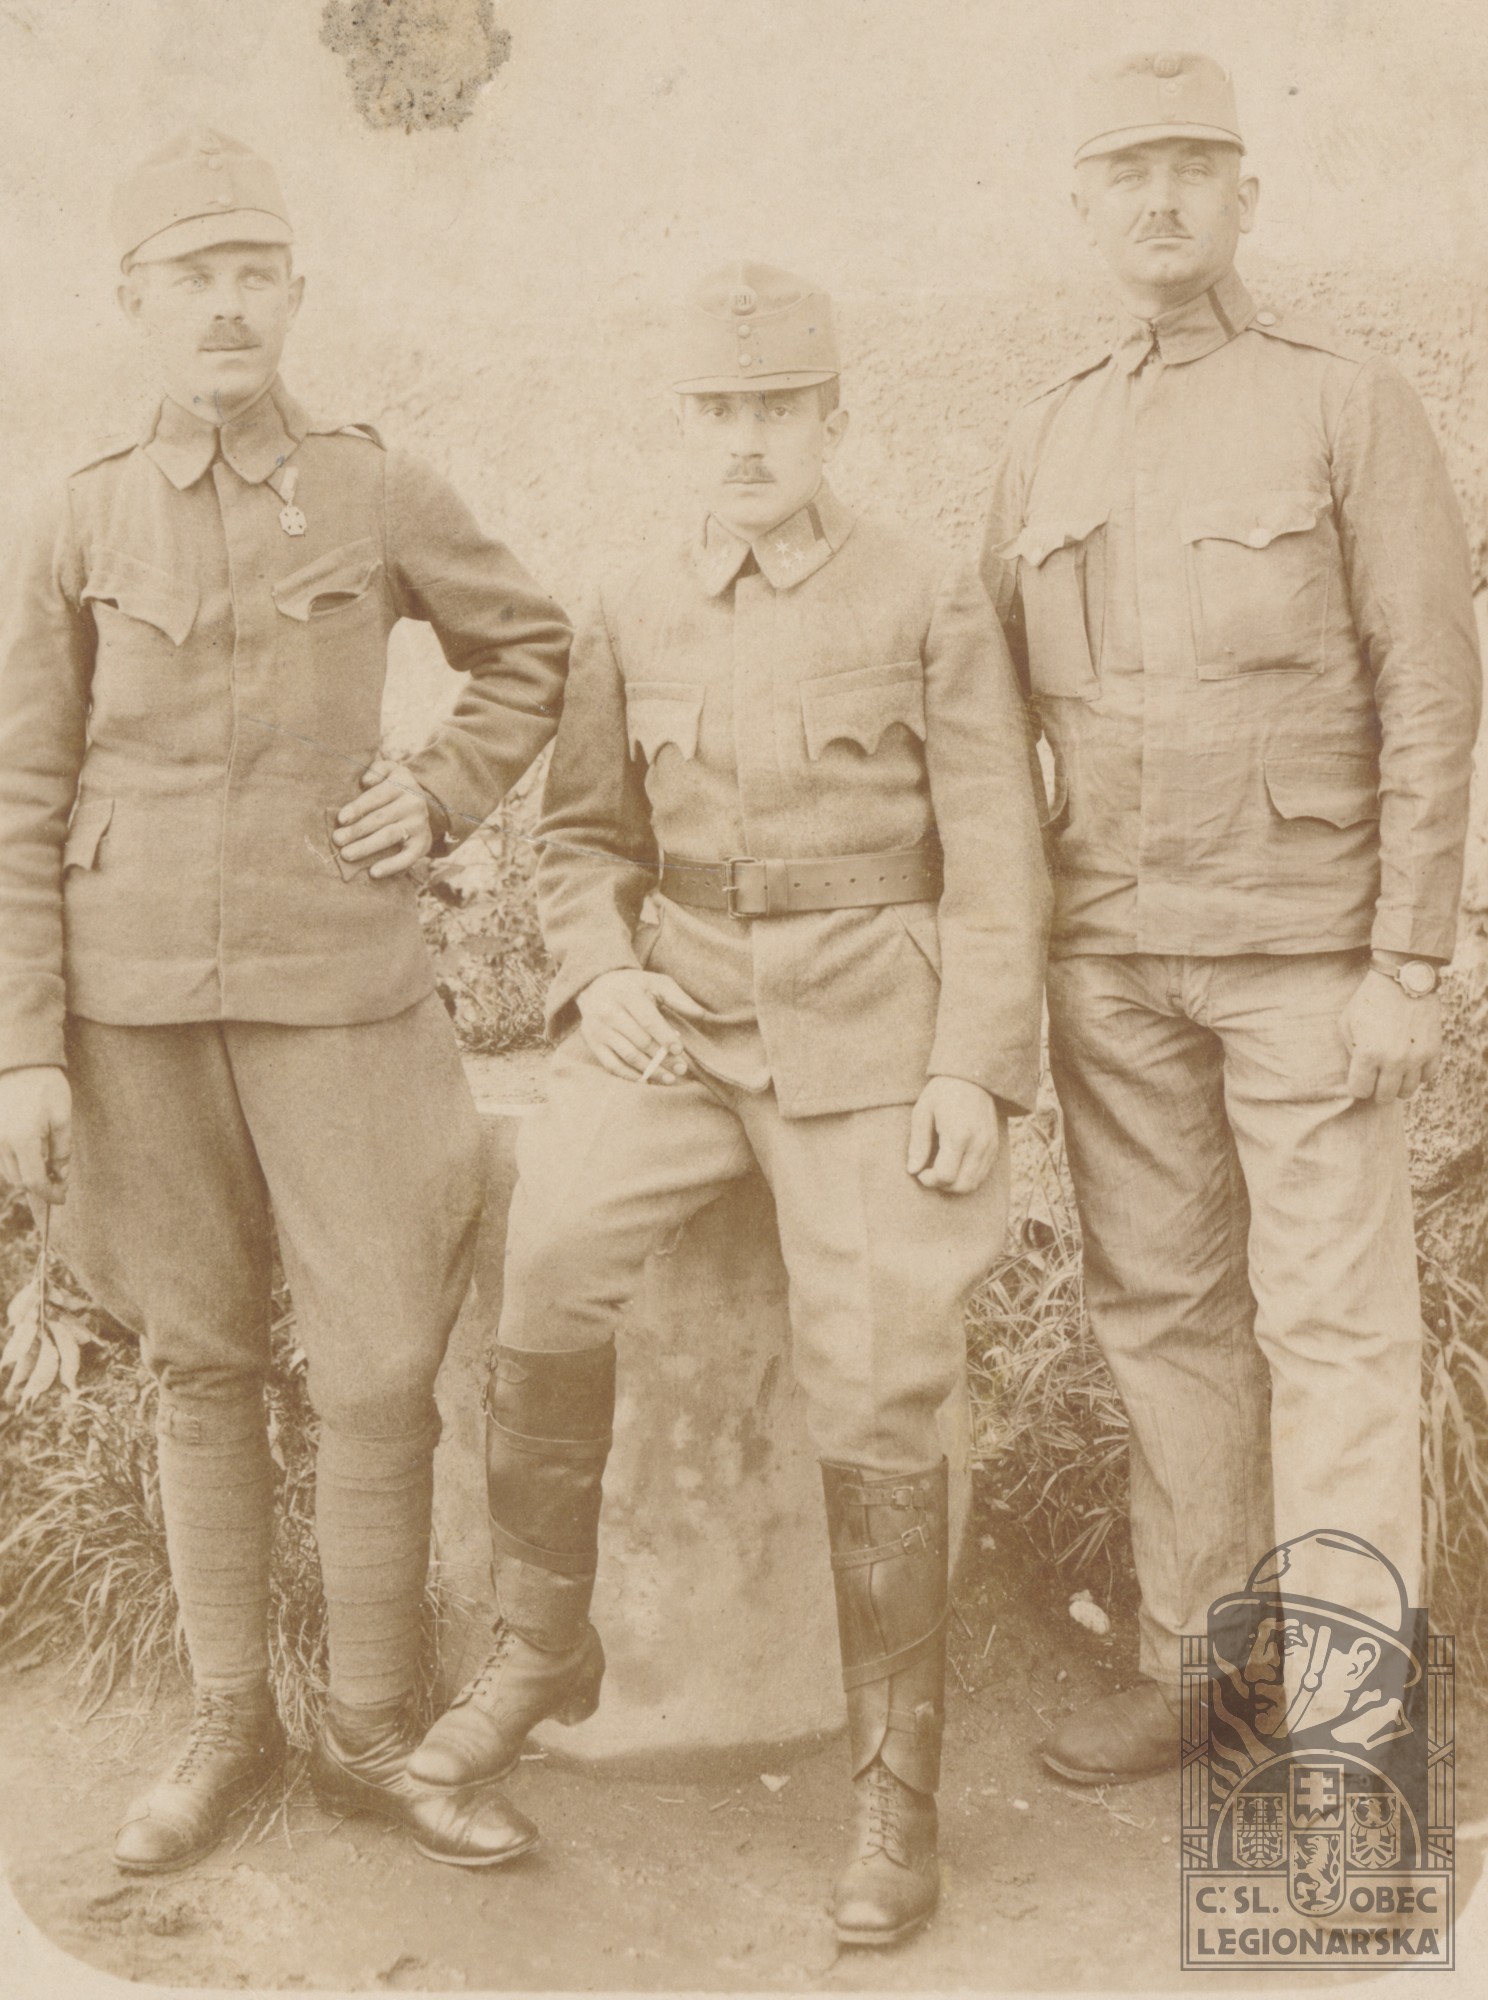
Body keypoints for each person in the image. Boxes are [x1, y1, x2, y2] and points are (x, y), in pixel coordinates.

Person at [406, 261, 1050, 1945]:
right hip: (681, 1016)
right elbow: (584, 839)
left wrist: (973, 1066)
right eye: (719, 411)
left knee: (881, 1367)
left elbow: (997, 853)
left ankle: (892, 1786)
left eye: (778, 408)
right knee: (551, 1249)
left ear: (834, 417)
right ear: (684, 425)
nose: (748, 441)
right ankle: (543, 1647)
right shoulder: (631, 603)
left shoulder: (925, 594)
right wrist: (596, 972)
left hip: (868, 1032)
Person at [0, 129, 571, 1872]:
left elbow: (529, 647)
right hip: (135, 1005)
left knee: (382, 1359)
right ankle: (227, 1723)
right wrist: (23, 1046)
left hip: (341, 987)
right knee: (199, 1357)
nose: (227, 306)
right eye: (194, 277)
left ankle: (376, 1731)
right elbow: (21, 787)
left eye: (255, 273)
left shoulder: (373, 489)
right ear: (134, 302)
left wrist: (441, 790)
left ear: (297, 294)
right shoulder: (78, 513)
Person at [978, 54, 1481, 1785]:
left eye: (1192, 165)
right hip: (1113, 959)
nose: (1159, 197)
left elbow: (1433, 689)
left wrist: (1408, 957)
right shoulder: (1046, 434)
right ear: (1082, 206)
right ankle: (1202, 1667)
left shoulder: (1346, 406)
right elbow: (985, 720)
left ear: (1245, 196)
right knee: (1162, 1319)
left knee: (1332, 1330)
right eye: (1125, 169)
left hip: (1309, 960)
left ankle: (1342, 1728)